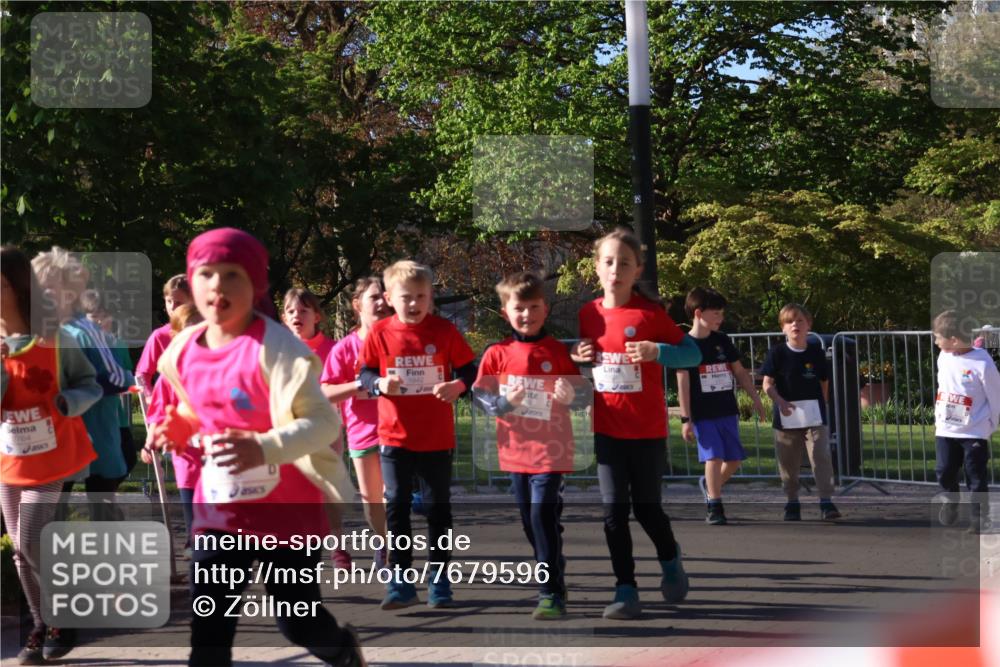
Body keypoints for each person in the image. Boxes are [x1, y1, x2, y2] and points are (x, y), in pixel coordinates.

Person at [149, 227, 363, 667]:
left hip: (285, 512)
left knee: (296, 621)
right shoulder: (185, 348)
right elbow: (196, 410)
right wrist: (177, 427)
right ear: (192, 283)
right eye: (207, 274)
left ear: (255, 285)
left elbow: (323, 423)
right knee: (208, 628)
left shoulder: (279, 349)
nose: (219, 286)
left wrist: (264, 447)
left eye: (233, 275)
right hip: (219, 512)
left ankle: (342, 651)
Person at [571, 227, 699, 620]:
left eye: (624, 263)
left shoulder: (649, 315)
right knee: (613, 512)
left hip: (645, 431)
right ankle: (625, 588)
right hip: (607, 428)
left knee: (647, 510)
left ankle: (669, 557)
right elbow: (585, 358)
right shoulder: (588, 313)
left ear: (637, 269)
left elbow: (691, 355)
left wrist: (656, 350)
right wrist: (579, 355)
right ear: (596, 268)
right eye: (608, 262)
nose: (615, 269)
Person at [1, 245, 102, 664]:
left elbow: (91, 384)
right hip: (10, 460)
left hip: (53, 457)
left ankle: (53, 622)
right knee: (22, 551)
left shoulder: (57, 338)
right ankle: (44, 625)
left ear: (17, 287)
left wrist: (67, 403)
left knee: (30, 540)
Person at [358, 260, 477, 609]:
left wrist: (458, 385)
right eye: (406, 297)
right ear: (390, 298)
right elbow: (365, 373)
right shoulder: (380, 333)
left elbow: (470, 369)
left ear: (431, 297)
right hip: (394, 436)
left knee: (438, 510)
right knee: (396, 507)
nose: (414, 304)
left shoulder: (444, 331)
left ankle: (439, 581)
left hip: (436, 438)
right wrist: (380, 383)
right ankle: (401, 581)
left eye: (421, 296)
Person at [473, 271, 586, 619]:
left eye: (533, 306)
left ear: (545, 309)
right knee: (531, 521)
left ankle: (550, 592)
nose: (527, 314)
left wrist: (574, 395)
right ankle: (553, 563)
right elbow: (479, 396)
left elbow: (580, 394)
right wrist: (503, 405)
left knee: (541, 514)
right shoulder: (497, 353)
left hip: (552, 450)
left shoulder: (557, 351)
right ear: (506, 311)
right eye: (519, 308)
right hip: (515, 451)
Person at [676, 287, 767, 525]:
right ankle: (715, 505)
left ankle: (709, 486)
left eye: (722, 313)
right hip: (702, 413)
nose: (721, 318)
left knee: (734, 459)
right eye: (716, 313)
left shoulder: (722, 340)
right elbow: (683, 383)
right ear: (698, 313)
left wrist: (756, 399)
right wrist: (686, 419)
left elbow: (739, 371)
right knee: (713, 457)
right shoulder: (685, 344)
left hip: (726, 408)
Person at [321, 277, 392, 569]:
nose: (380, 302)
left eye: (384, 297)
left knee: (393, 496)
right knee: (372, 502)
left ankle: (396, 550)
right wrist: (358, 387)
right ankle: (382, 542)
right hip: (362, 432)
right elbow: (326, 391)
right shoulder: (345, 348)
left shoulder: (398, 341)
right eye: (373, 297)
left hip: (397, 430)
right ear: (357, 305)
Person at [282, 287, 352, 569]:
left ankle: (337, 546)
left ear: (317, 316)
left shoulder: (333, 349)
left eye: (302, 310)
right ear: (284, 318)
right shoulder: (279, 350)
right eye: (290, 311)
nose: (296, 315)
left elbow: (340, 387)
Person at [760, 303, 841, 521]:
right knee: (788, 460)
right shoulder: (777, 352)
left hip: (814, 414)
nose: (795, 324)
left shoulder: (815, 352)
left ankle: (826, 502)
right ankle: (792, 501)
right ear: (783, 328)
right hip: (786, 415)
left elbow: (824, 381)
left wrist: (821, 404)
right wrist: (780, 401)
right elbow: (767, 384)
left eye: (800, 321)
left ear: (808, 325)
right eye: (789, 321)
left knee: (820, 455)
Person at [932, 310, 1000, 534]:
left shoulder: (983, 362)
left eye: (938, 337)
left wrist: (990, 425)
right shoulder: (943, 357)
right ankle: (950, 500)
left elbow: (995, 396)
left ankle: (979, 518)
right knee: (944, 469)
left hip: (974, 431)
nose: (935, 341)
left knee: (976, 476)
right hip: (946, 428)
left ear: (953, 339)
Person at [135, 274, 191, 396]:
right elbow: (142, 374)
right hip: (171, 409)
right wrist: (149, 397)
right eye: (169, 301)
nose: (172, 307)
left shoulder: (209, 331)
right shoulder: (160, 336)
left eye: (178, 302)